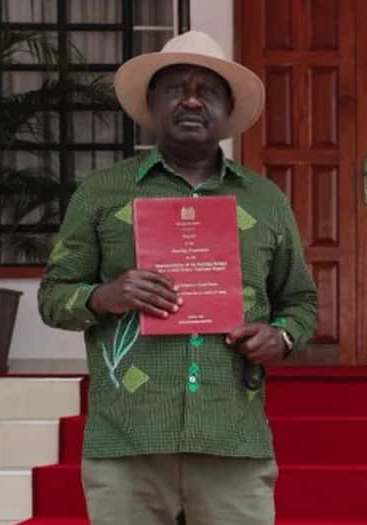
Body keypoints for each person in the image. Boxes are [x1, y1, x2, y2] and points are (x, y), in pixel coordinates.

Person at [38, 31, 318, 525]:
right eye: (176, 89)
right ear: (152, 103)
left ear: (227, 110)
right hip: (127, 440)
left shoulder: (265, 200)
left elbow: (300, 301)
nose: (191, 99)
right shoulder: (102, 193)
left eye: (206, 90)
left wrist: (282, 335)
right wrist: (106, 295)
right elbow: (52, 297)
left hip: (231, 437)